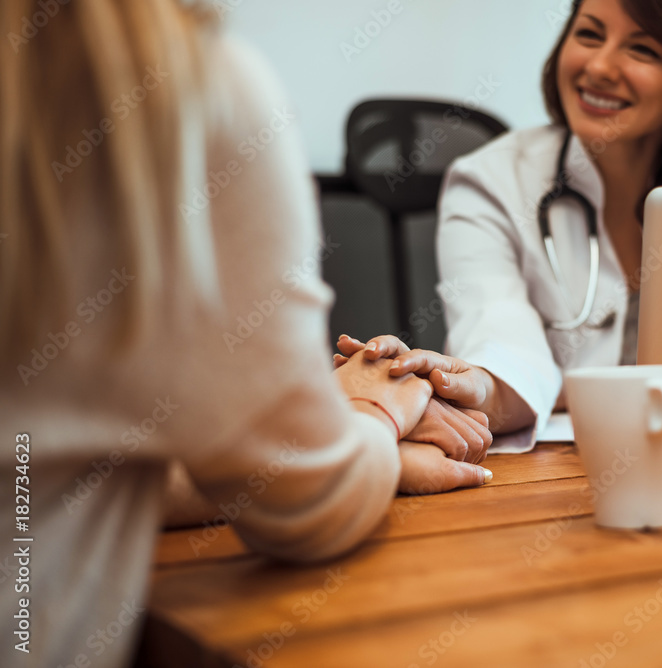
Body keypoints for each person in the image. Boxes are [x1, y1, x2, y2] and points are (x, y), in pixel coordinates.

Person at [0, 2, 488, 666]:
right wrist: (368, 417)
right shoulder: (194, 92)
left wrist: (312, 448)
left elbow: (61, 463)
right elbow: (313, 509)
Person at [336, 0, 662, 451]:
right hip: (570, 469)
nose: (599, 66)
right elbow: (501, 336)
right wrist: (480, 384)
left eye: (642, 50)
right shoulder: (490, 181)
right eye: (589, 34)